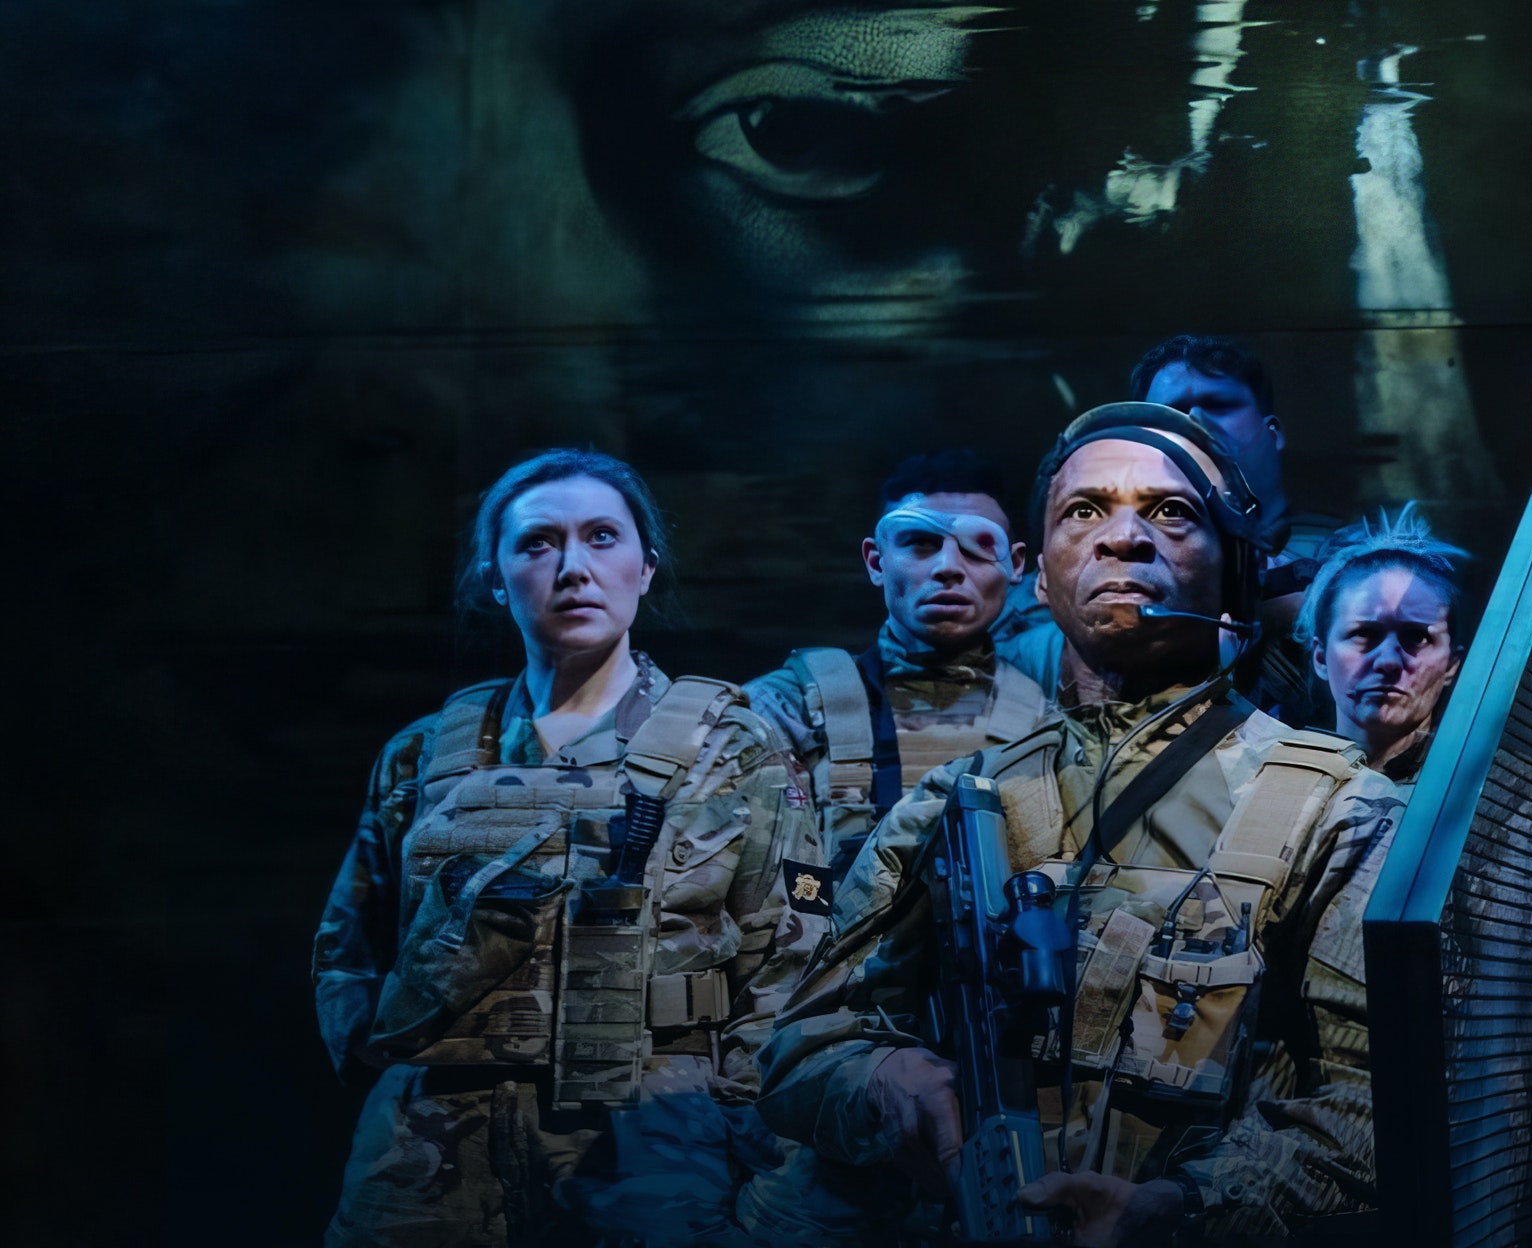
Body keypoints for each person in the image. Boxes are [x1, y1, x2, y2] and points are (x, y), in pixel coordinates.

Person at [762, 402, 1402, 1247]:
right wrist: (891, 1081)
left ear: (1238, 567)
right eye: (1085, 511)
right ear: (1040, 577)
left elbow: (1382, 1101)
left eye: (1171, 512)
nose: (1123, 538)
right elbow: (803, 1046)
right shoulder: (959, 801)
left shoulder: (1337, 811)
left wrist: (1183, 1207)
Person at [313, 449, 804, 1247]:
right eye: (538, 543)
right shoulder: (427, 752)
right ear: (494, 577)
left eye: (602, 537)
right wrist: (385, 1059)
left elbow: (788, 956)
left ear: (646, 568)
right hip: (433, 1136)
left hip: (650, 1127)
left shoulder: (732, 747)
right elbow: (349, 946)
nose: (574, 567)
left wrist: (745, 1123)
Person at [747, 449, 1054, 907]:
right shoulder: (789, 709)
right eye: (921, 543)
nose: (949, 566)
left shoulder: (1048, 719)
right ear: (876, 562)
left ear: (1015, 565)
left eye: (978, 546)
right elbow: (765, 884)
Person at [1134, 334, 1352, 660]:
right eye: (1171, 413)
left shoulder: (1349, 561)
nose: (1196, 422)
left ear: (1272, 433)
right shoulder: (1122, 558)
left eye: (1219, 406)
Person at [1295, 509, 1469, 781]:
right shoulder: (1270, 774)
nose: (1388, 661)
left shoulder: (1488, 785)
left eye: (1417, 637)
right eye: (1364, 634)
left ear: (1451, 665)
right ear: (1320, 657)